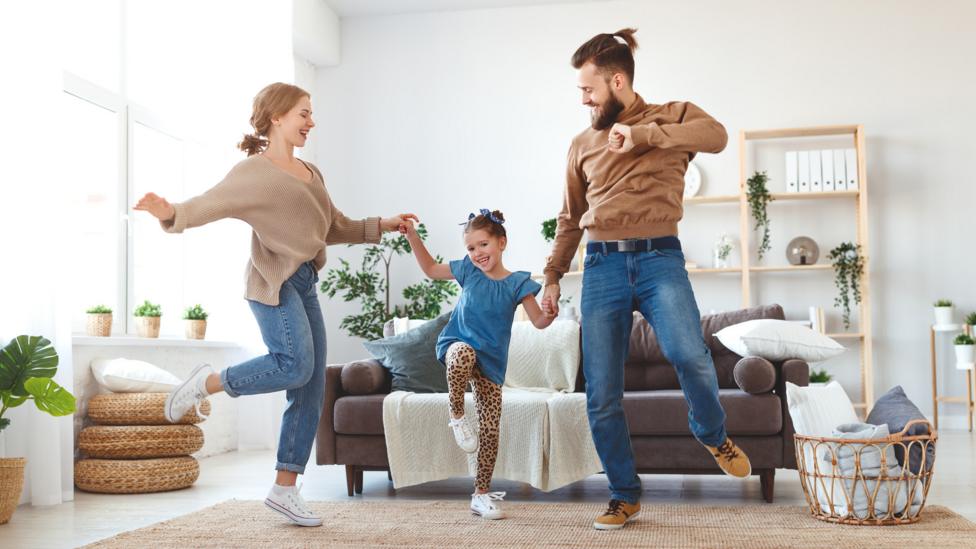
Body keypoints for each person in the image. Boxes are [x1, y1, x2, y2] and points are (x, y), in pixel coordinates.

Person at [134, 82, 415, 527]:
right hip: (272, 282)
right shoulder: (253, 172)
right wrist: (170, 212)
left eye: (312, 113)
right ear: (277, 116)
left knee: (309, 388)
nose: (311, 121)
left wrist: (383, 224)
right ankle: (209, 382)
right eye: (304, 113)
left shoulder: (312, 172)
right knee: (296, 365)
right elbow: (207, 205)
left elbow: (333, 226)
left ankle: (285, 489)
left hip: (304, 281)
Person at [540, 29, 752, 530]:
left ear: (617, 81)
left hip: (661, 259)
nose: (583, 99)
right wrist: (552, 275)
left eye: (588, 89)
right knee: (601, 391)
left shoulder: (673, 116)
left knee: (688, 354)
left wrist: (645, 135)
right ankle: (624, 495)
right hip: (601, 265)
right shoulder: (581, 143)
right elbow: (570, 218)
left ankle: (711, 432)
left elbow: (716, 136)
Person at [400, 209, 555, 520]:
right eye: (471, 248)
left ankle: (480, 495)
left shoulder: (518, 283)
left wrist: (550, 312)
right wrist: (413, 237)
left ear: (501, 243)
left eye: (483, 245)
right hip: (458, 346)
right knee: (462, 354)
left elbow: (539, 321)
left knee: (490, 430)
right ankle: (456, 415)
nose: (477, 253)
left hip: (490, 364)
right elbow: (430, 269)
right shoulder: (468, 272)